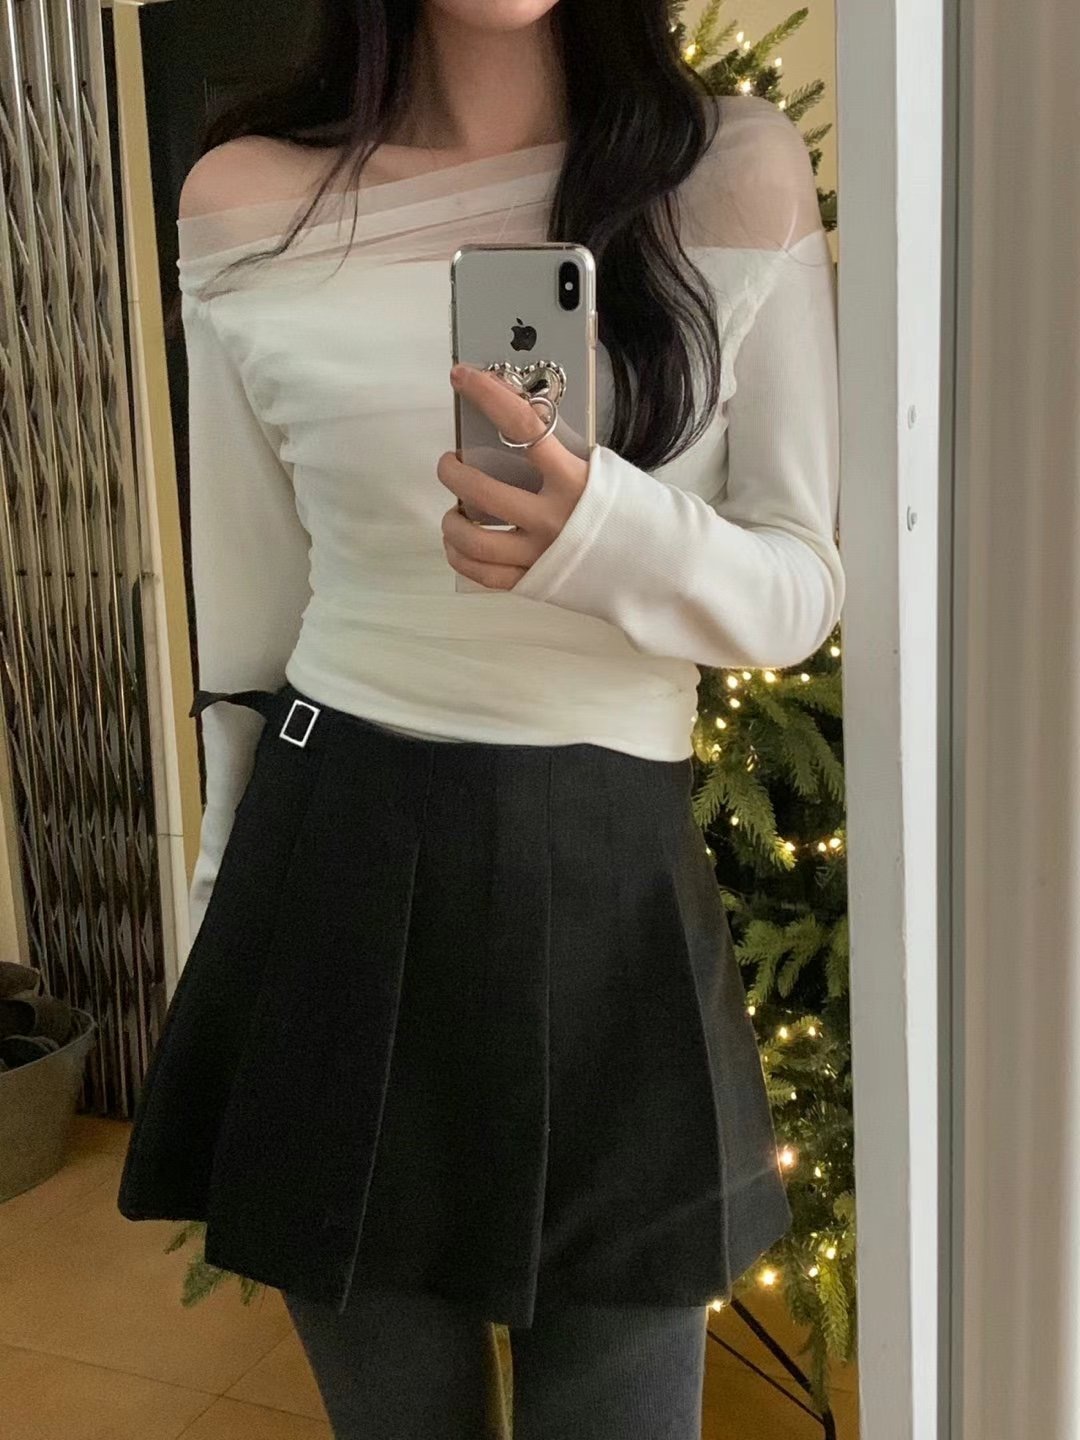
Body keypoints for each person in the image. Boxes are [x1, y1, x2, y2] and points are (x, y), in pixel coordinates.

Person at [117, 1, 844, 1435]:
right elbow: (247, 635)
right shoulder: (247, 201)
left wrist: (605, 531)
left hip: (617, 893)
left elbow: (801, 586)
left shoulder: (731, 171)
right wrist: (216, 924)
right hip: (330, 865)